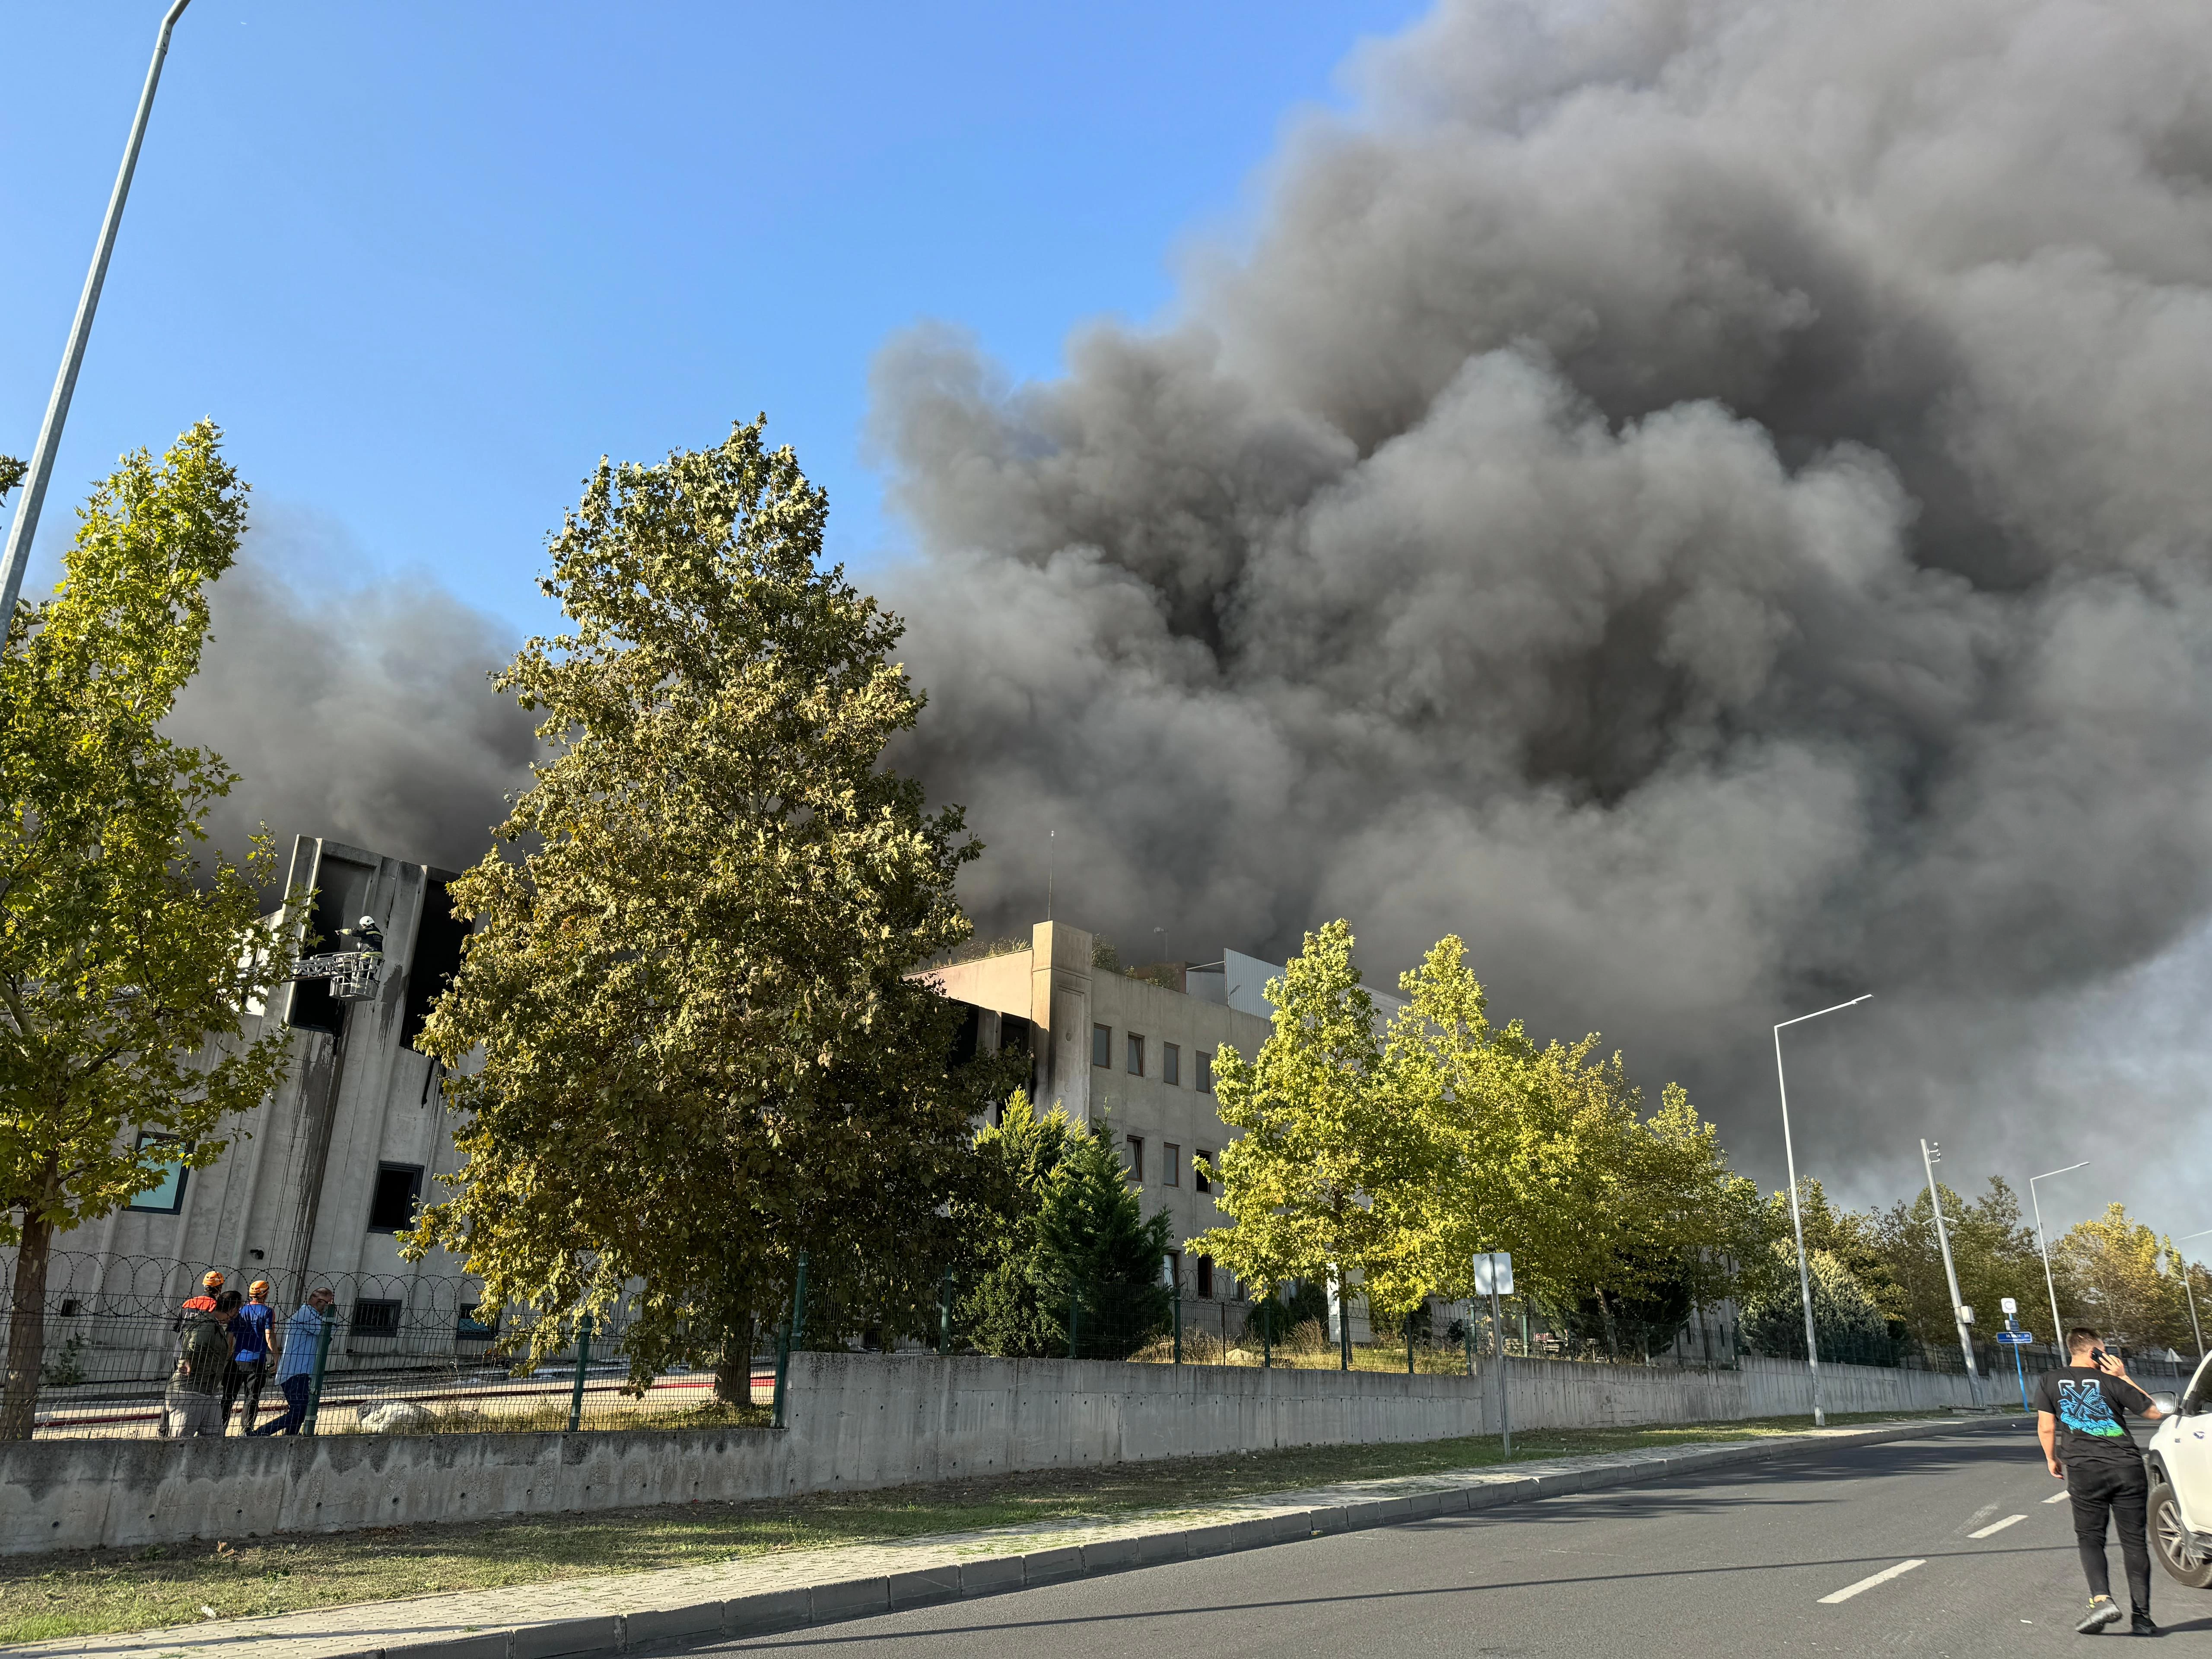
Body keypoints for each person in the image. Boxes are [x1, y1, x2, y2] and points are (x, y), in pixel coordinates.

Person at [2036, 1326, 2167, 1636]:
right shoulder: (2111, 1379)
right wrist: (2123, 1376)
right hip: (2127, 1467)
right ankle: (2143, 1619)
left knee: (2091, 1538)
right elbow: (2154, 1411)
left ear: (2072, 1350)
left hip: (2084, 1470)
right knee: (2134, 1541)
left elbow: (2046, 1428)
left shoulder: (2049, 1380)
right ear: (2096, 1350)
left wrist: (2052, 1459)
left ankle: (2102, 1600)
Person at [251, 1287, 335, 1437]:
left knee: (300, 1411)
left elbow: (328, 1334)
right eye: (329, 1304)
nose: (330, 1307)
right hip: (295, 1372)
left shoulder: (312, 1316)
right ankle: (260, 1434)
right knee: (300, 1410)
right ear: (319, 1301)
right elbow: (327, 1333)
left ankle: (290, 1437)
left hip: (300, 1372)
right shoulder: (306, 1315)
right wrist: (330, 1323)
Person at [163, 1300, 234, 1439]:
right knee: (181, 1439)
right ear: (231, 1309)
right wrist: (187, 1361)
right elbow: (195, 1343)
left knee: (214, 1436)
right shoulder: (208, 1324)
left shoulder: (213, 1324)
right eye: (235, 1312)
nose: (235, 1316)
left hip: (206, 1391)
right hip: (191, 1391)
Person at [221, 1285, 274, 1434]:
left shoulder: (239, 1312)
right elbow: (269, 1335)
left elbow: (229, 1338)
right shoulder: (268, 1312)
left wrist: (226, 1359)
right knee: (252, 1397)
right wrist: (276, 1356)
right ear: (266, 1294)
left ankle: (220, 1427)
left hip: (236, 1361)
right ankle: (247, 1429)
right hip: (257, 1361)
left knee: (228, 1397)